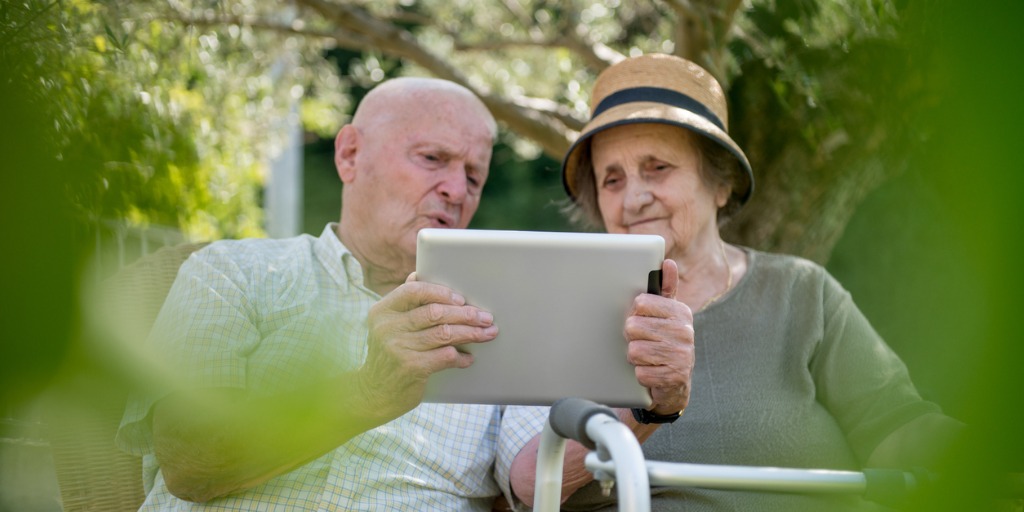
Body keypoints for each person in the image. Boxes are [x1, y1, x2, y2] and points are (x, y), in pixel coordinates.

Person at [498, 53, 964, 511]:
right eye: (612, 179)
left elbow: (897, 428)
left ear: (720, 185)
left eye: (657, 168)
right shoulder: (561, 314)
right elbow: (532, 485)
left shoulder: (801, 293)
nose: (634, 198)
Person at [116, 77, 522, 510]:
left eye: (474, 178)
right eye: (432, 158)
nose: (457, 191)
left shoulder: (497, 322)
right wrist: (368, 393)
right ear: (350, 155)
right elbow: (187, 458)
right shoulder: (233, 272)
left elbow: (545, 476)